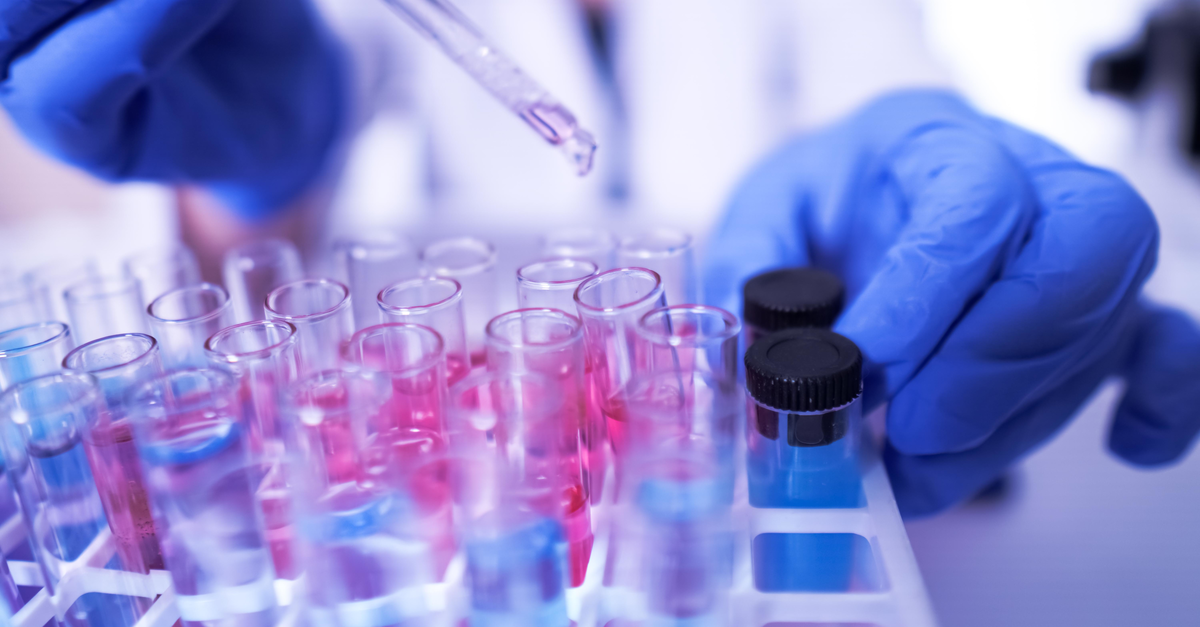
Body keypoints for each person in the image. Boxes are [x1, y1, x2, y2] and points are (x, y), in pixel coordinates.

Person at [0, 0, 1197, 519]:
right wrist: (251, 175)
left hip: (748, 475)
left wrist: (947, 209)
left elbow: (883, 71)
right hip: (496, 481)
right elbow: (254, 265)